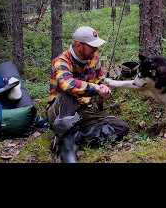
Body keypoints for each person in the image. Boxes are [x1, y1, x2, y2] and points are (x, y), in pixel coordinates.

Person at [46, 26, 129, 163]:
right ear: (79, 45)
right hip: (59, 111)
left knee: (120, 127)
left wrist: (102, 86)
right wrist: (96, 88)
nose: (96, 50)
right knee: (68, 95)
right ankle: (66, 150)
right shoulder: (61, 61)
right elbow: (68, 84)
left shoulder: (94, 58)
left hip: (83, 110)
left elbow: (100, 78)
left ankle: (73, 137)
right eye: (92, 47)